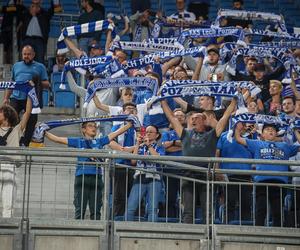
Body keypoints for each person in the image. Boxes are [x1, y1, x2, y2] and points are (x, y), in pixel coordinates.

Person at [161, 97, 237, 223]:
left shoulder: (212, 134)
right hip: (187, 174)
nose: (193, 119)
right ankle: (188, 239)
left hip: (206, 174)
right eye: (192, 118)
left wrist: (233, 102)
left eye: (197, 117)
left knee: (208, 212)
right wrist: (163, 101)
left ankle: (208, 239)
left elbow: (225, 118)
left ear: (204, 120)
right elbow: (172, 119)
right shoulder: (185, 133)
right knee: (187, 212)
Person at [45, 118, 136, 220]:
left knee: (96, 210)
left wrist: (129, 125)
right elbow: (57, 139)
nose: (94, 128)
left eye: (95, 126)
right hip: (82, 177)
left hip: (97, 178)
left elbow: (116, 133)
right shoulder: (78, 141)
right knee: (80, 209)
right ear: (83, 129)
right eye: (90, 126)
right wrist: (44, 132)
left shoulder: (100, 141)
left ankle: (96, 234)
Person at [235, 122, 300, 226]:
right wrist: (237, 127)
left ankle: (277, 237)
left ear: (276, 134)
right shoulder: (256, 143)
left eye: (273, 130)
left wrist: (296, 130)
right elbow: (238, 139)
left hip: (279, 183)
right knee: (261, 209)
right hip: (262, 181)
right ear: (262, 134)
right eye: (267, 129)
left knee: (277, 212)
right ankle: (258, 236)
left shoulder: (285, 146)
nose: (270, 130)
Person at [3, 45, 50, 146]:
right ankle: (9, 140)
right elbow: (11, 83)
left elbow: (47, 84)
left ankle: (25, 143)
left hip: (32, 99)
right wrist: (6, 98)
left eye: (29, 54)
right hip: (16, 97)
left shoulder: (40, 67)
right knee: (11, 118)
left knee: (32, 120)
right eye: (24, 54)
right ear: (22, 55)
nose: (26, 56)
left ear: (33, 55)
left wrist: (36, 82)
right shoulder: (16, 66)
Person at [0, 95, 32, 217]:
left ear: (6, 116)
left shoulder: (16, 130)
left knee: (8, 203)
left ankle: (6, 233)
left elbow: (27, 112)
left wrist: (29, 93)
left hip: (10, 167)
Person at [126, 125, 165, 222]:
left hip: (154, 179)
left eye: (151, 132)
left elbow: (159, 159)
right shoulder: (140, 146)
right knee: (131, 207)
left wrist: (149, 146)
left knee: (152, 209)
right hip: (140, 177)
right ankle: (125, 231)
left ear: (157, 135)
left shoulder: (160, 146)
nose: (148, 134)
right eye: (146, 132)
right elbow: (133, 161)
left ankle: (151, 234)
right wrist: (137, 144)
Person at [161, 108, 185, 218]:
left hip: (185, 169)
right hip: (170, 168)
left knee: (186, 198)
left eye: (181, 116)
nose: (179, 117)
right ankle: (170, 219)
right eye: (176, 116)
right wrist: (180, 145)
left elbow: (189, 146)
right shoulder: (167, 133)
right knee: (170, 197)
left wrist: (173, 144)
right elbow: (165, 148)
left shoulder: (188, 132)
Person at [19, 0, 54, 64]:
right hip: (27, 39)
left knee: (40, 60)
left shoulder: (44, 14)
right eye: (33, 4)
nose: (35, 7)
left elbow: (53, 10)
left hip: (39, 41)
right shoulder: (26, 13)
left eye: (37, 4)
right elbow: (19, 10)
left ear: (40, 3)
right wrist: (29, 11)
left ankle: (38, 74)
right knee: (24, 60)